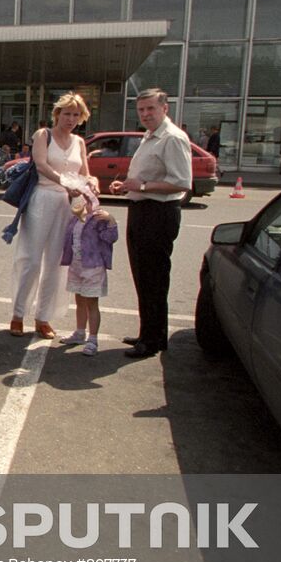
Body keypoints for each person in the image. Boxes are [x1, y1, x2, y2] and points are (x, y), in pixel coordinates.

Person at [110, 89, 192, 359]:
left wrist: (142, 186)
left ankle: (153, 339)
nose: (145, 114)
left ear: (164, 109)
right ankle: (148, 332)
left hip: (158, 213)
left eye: (151, 109)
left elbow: (181, 182)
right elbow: (145, 178)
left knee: (154, 278)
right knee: (143, 277)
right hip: (141, 209)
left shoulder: (173, 138)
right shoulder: (150, 136)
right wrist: (128, 186)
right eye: (141, 110)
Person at [6, 93, 91, 340]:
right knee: (30, 259)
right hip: (42, 199)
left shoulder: (80, 142)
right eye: (67, 114)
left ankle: (43, 317)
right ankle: (17, 314)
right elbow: (41, 165)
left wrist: (91, 184)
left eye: (76, 115)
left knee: (55, 263)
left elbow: (85, 172)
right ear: (57, 114)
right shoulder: (43, 135)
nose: (71, 119)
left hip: (67, 205)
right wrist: (66, 182)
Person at [59, 179, 119, 356]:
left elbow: (111, 237)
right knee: (79, 300)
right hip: (77, 265)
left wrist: (111, 220)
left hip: (93, 266)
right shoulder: (77, 216)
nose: (84, 199)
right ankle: (79, 332)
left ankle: (93, 339)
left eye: (88, 195)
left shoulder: (99, 217)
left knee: (92, 302)